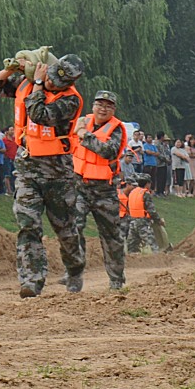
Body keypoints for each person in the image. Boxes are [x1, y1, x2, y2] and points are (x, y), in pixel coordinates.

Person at [0, 53, 86, 297]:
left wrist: (41, 84)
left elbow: (39, 114)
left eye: (57, 83)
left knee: (65, 228)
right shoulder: (29, 82)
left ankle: (74, 269)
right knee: (28, 224)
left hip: (57, 172)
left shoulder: (70, 100)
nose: (52, 84)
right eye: (50, 78)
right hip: (27, 167)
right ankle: (31, 280)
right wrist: (11, 69)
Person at [70, 90, 128, 291]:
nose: (103, 109)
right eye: (99, 104)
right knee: (73, 230)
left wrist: (84, 135)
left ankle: (116, 279)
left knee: (111, 235)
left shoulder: (116, 129)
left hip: (104, 190)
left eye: (108, 106)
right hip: (79, 186)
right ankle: (74, 278)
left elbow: (107, 151)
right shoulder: (81, 122)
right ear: (93, 106)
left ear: (113, 109)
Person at [125, 173, 161, 253]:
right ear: (147, 183)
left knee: (131, 247)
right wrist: (159, 220)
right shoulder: (145, 194)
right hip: (143, 223)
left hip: (132, 222)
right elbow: (151, 210)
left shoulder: (132, 192)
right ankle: (158, 260)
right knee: (152, 246)